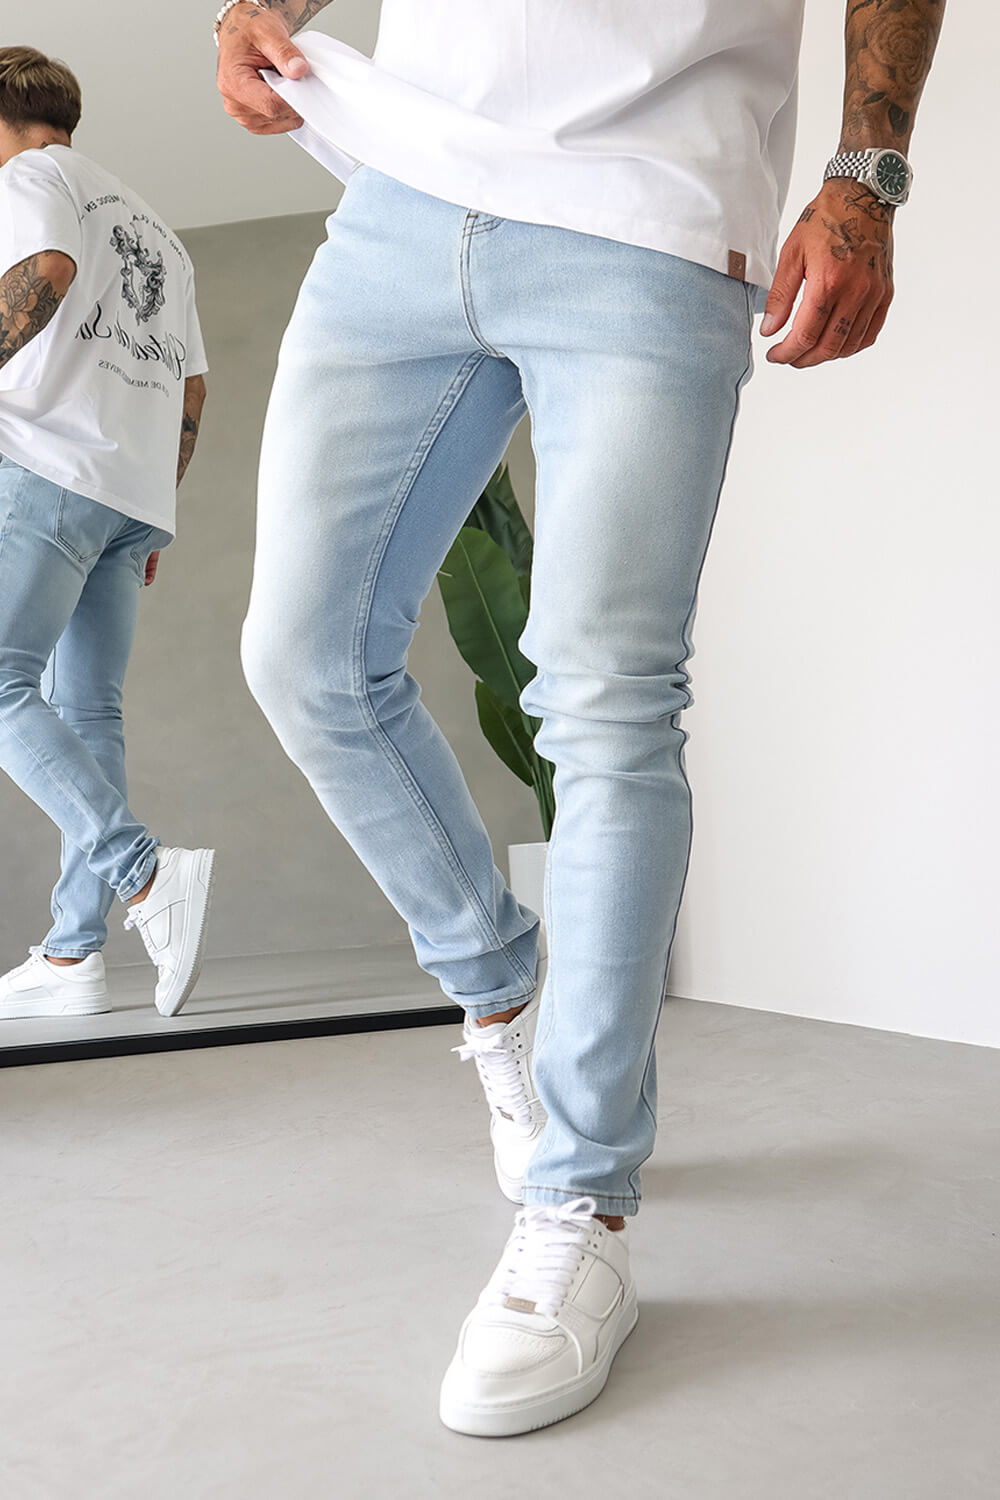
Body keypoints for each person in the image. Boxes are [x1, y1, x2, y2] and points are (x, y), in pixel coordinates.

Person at [216, 0, 945, 1436]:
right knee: (303, 659)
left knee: (607, 705)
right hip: (402, 194)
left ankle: (581, 1208)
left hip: (647, 212)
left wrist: (864, 179)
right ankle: (498, 993)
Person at [0, 47, 216, 1023]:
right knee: (87, 714)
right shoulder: (158, 231)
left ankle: (143, 874)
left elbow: (46, 268)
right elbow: (192, 383)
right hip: (126, 495)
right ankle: (73, 953)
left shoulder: (31, 176)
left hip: (46, 468)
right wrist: (151, 500)